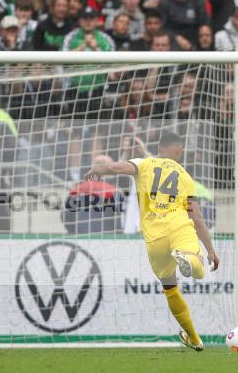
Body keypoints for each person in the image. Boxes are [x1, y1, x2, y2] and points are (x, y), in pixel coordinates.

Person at [82, 131, 220, 352]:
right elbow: (196, 216)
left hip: (154, 237)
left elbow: (118, 168)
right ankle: (187, 258)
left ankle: (194, 338)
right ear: (176, 149)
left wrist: (100, 169)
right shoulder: (184, 175)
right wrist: (211, 250)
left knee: (170, 288)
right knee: (198, 268)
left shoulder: (143, 163)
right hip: (177, 228)